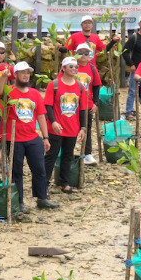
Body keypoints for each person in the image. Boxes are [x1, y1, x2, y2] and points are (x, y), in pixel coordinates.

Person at [0, 61, 59, 211]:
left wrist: (45, 137)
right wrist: (3, 77)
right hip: (14, 138)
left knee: (39, 168)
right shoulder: (9, 91)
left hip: (32, 137)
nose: (25, 75)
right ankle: (19, 202)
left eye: (27, 73)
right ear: (15, 75)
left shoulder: (35, 93)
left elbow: (41, 115)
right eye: (22, 72)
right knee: (16, 171)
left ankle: (42, 198)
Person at [43, 56, 91, 194]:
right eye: (71, 66)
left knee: (68, 155)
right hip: (56, 128)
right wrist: (53, 121)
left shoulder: (80, 87)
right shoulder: (54, 85)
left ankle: (65, 183)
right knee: (51, 156)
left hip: (72, 128)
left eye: (76, 67)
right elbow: (48, 105)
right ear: (63, 68)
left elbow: (82, 109)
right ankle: (44, 184)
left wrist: (83, 128)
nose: (74, 69)